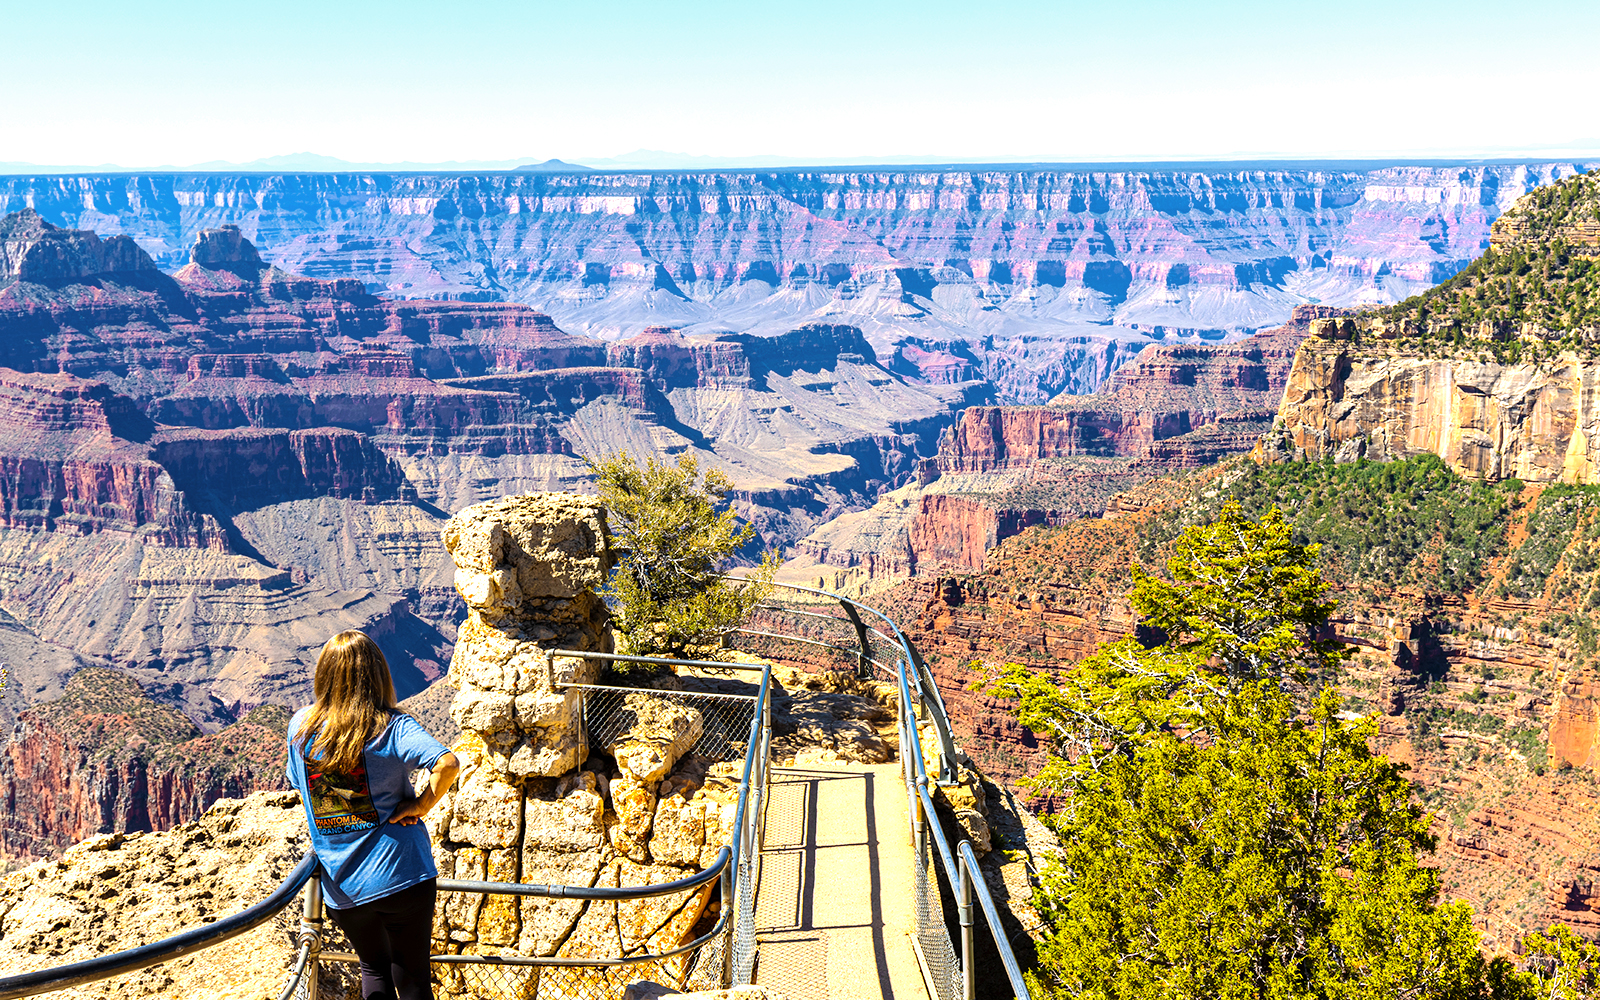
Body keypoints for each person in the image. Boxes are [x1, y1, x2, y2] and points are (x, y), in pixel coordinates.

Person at [286, 630, 460, 1000]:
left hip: (343, 883)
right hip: (402, 873)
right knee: (412, 978)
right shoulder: (392, 727)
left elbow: (300, 784)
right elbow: (447, 763)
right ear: (379, 675)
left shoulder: (300, 728)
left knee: (372, 969)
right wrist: (420, 805)